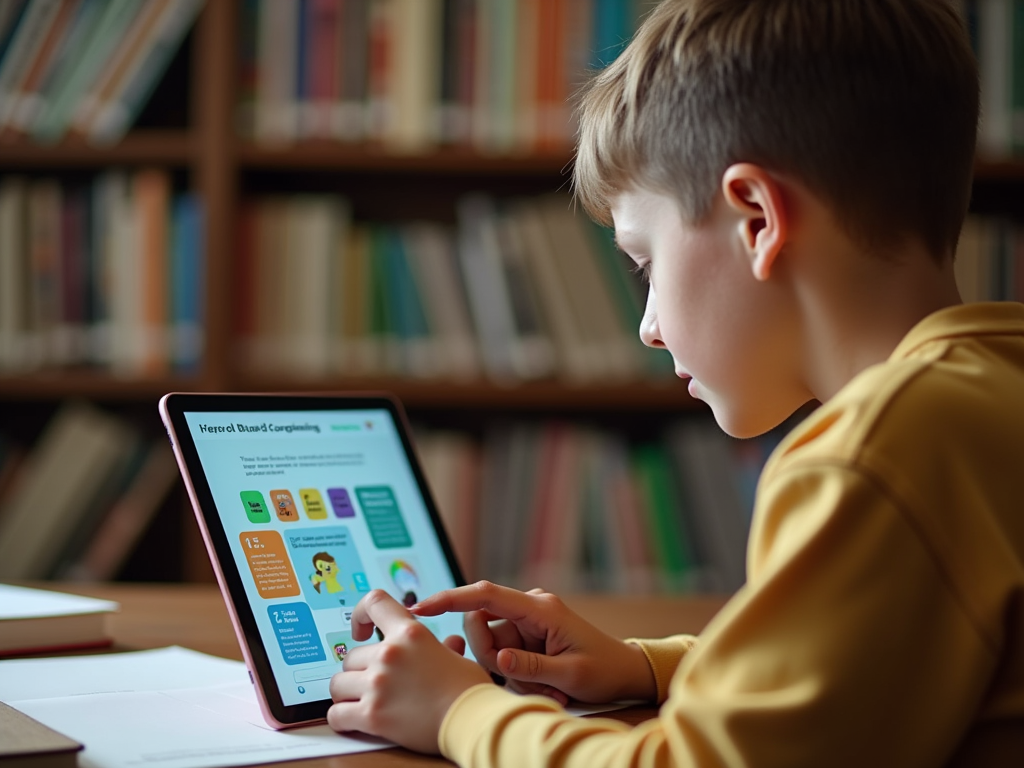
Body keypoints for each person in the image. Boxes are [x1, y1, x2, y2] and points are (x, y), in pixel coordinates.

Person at [325, 1, 1024, 764]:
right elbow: (880, 678)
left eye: (645, 264)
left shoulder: (873, 458)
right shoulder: (990, 388)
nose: (648, 326)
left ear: (756, 218)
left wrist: (459, 710)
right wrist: (646, 665)